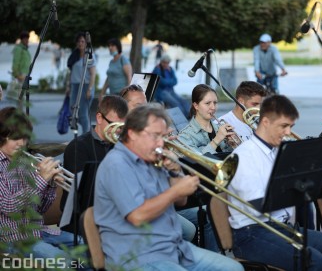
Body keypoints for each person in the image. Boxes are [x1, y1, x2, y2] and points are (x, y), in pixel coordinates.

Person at [93, 104, 243, 271]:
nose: (161, 143)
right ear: (132, 134)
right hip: (138, 255)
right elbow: (137, 216)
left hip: (174, 248)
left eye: (163, 136)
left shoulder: (151, 157)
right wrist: (175, 191)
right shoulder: (117, 164)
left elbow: (181, 201)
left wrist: (176, 170)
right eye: (155, 136)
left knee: (233, 268)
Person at [228, 95, 322, 271]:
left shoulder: (277, 151)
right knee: (314, 261)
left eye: (291, 127)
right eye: (284, 126)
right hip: (251, 233)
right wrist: (292, 187)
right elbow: (257, 206)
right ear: (265, 122)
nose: (288, 132)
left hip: (280, 227)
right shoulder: (243, 156)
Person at [0, 107, 77, 263]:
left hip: (38, 233)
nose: (21, 143)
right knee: (65, 262)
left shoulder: (24, 162)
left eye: (25, 138)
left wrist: (50, 184)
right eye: (15, 138)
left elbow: (40, 209)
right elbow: (9, 207)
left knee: (88, 248)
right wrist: (41, 179)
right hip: (12, 239)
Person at [60, 95, 129, 232]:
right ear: (99, 118)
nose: (118, 131)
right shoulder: (78, 148)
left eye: (122, 127)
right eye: (114, 125)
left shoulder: (122, 145)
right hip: (84, 221)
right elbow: (80, 198)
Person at [177, 84, 235, 155]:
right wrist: (216, 140)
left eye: (215, 103)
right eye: (208, 103)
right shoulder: (185, 136)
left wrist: (232, 145)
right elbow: (196, 162)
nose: (213, 107)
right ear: (196, 106)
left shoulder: (219, 129)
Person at [66, 32, 97, 134]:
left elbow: (93, 74)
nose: (80, 43)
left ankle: (86, 135)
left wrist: (90, 89)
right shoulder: (74, 55)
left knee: (83, 114)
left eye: (83, 41)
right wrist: (68, 86)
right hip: (75, 86)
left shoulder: (89, 56)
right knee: (73, 111)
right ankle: (86, 131)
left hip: (86, 86)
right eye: (79, 41)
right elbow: (71, 72)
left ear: (86, 43)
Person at [10, 31, 31, 108]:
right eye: (25, 39)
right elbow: (15, 62)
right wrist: (17, 75)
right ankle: (19, 114)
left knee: (23, 97)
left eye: (28, 38)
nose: (27, 40)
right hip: (20, 75)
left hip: (25, 75)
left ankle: (20, 114)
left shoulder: (25, 49)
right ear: (22, 39)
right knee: (20, 97)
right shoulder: (19, 49)